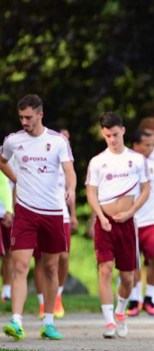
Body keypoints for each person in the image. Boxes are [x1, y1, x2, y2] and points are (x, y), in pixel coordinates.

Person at [1, 94, 76, 341]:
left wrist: (71, 189)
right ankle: (17, 321)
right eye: (21, 117)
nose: (24, 121)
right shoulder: (13, 141)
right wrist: (17, 179)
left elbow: (69, 171)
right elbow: (2, 162)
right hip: (25, 211)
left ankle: (48, 321)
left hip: (53, 212)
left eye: (28, 117)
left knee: (51, 266)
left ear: (40, 115)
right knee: (21, 265)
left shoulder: (57, 141)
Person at [86, 112, 150, 338]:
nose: (112, 139)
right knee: (104, 269)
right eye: (107, 136)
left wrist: (131, 212)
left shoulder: (137, 159)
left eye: (115, 134)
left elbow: (146, 189)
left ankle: (121, 312)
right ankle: (109, 321)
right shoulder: (97, 161)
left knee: (128, 277)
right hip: (105, 222)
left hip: (127, 222)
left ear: (122, 130)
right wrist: (100, 216)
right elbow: (91, 192)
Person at [34, 126, 78, 319]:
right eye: (63, 137)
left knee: (64, 257)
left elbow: (71, 191)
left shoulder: (67, 163)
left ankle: (57, 296)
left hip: (63, 216)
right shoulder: (43, 157)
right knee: (40, 261)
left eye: (68, 138)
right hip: (41, 213)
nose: (65, 141)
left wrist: (74, 214)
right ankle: (42, 303)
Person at [127, 129, 154, 316]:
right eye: (146, 145)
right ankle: (135, 300)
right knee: (133, 262)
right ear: (136, 145)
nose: (151, 149)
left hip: (152, 220)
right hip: (131, 221)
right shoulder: (125, 164)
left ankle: (151, 298)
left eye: (152, 145)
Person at [0, 171, 13, 303]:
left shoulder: (17, 157)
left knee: (10, 252)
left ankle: (6, 292)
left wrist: (11, 210)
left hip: (8, 213)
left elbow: (8, 186)